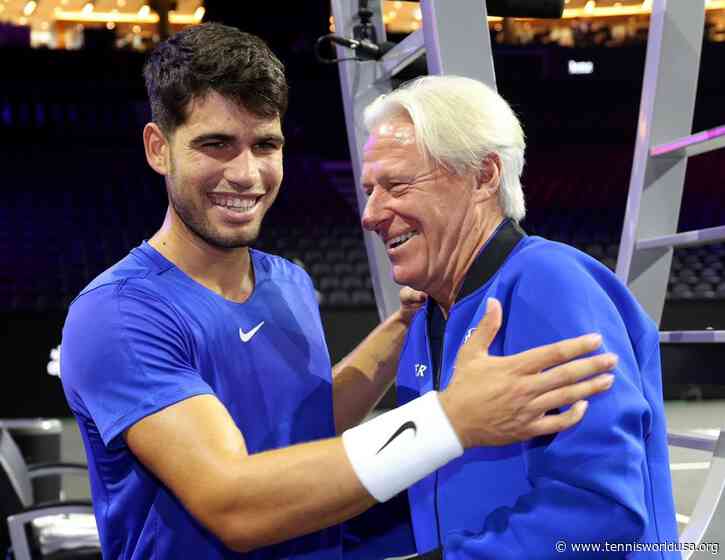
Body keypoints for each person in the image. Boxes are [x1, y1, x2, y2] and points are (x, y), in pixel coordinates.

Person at [60, 24, 616, 560]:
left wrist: (404, 327)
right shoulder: (118, 313)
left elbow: (303, 425)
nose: (248, 173)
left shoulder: (288, 282)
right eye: (217, 145)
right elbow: (233, 505)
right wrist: (452, 419)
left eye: (265, 145)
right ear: (159, 148)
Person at [359, 75, 679, 559]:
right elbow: (430, 497)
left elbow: (602, 512)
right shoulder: (429, 314)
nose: (370, 213)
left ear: (484, 175)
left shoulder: (549, 282)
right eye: (369, 190)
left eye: (396, 185)